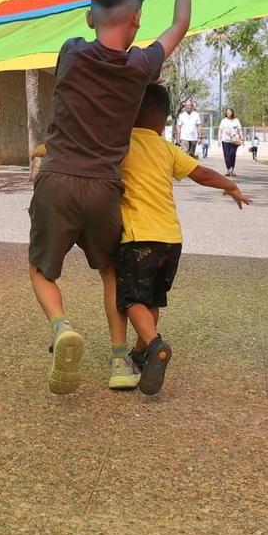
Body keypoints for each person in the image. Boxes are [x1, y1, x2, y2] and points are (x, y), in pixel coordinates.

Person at [31, 0, 192, 395]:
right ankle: (120, 359)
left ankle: (61, 326)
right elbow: (180, 25)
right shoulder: (140, 66)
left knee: (42, 268)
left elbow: (94, 27)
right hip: (104, 187)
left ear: (90, 17)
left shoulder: (72, 53)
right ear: (136, 19)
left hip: (58, 179)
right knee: (110, 272)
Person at [111, 83, 250, 394]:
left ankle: (156, 343)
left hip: (138, 237)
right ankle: (142, 352)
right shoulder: (167, 149)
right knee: (152, 299)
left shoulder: (121, 144)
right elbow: (201, 174)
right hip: (171, 240)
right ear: (164, 121)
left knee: (131, 298)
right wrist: (230, 186)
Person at [217, 108, 244, 175]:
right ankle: (228, 169)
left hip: (234, 141)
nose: (228, 113)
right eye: (227, 112)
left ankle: (232, 169)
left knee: (232, 154)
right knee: (227, 155)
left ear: (232, 112)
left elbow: (240, 130)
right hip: (225, 141)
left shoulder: (236, 120)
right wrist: (219, 140)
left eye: (230, 112)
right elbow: (220, 131)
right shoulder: (223, 121)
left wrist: (242, 139)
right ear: (226, 113)